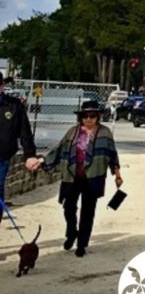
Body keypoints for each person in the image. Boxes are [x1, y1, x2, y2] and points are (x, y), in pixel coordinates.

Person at [30, 99, 123, 257]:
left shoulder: (105, 133)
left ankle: (82, 244)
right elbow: (59, 149)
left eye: (92, 116)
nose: (88, 119)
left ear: (97, 117)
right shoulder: (73, 132)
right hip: (72, 175)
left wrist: (118, 175)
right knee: (68, 207)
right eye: (85, 116)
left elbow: (112, 155)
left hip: (93, 177)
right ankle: (72, 233)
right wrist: (42, 160)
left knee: (88, 211)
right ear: (80, 117)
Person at [0, 73, 42, 209]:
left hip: (2, 157)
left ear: (2, 85)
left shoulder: (14, 105)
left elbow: (25, 132)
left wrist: (30, 155)